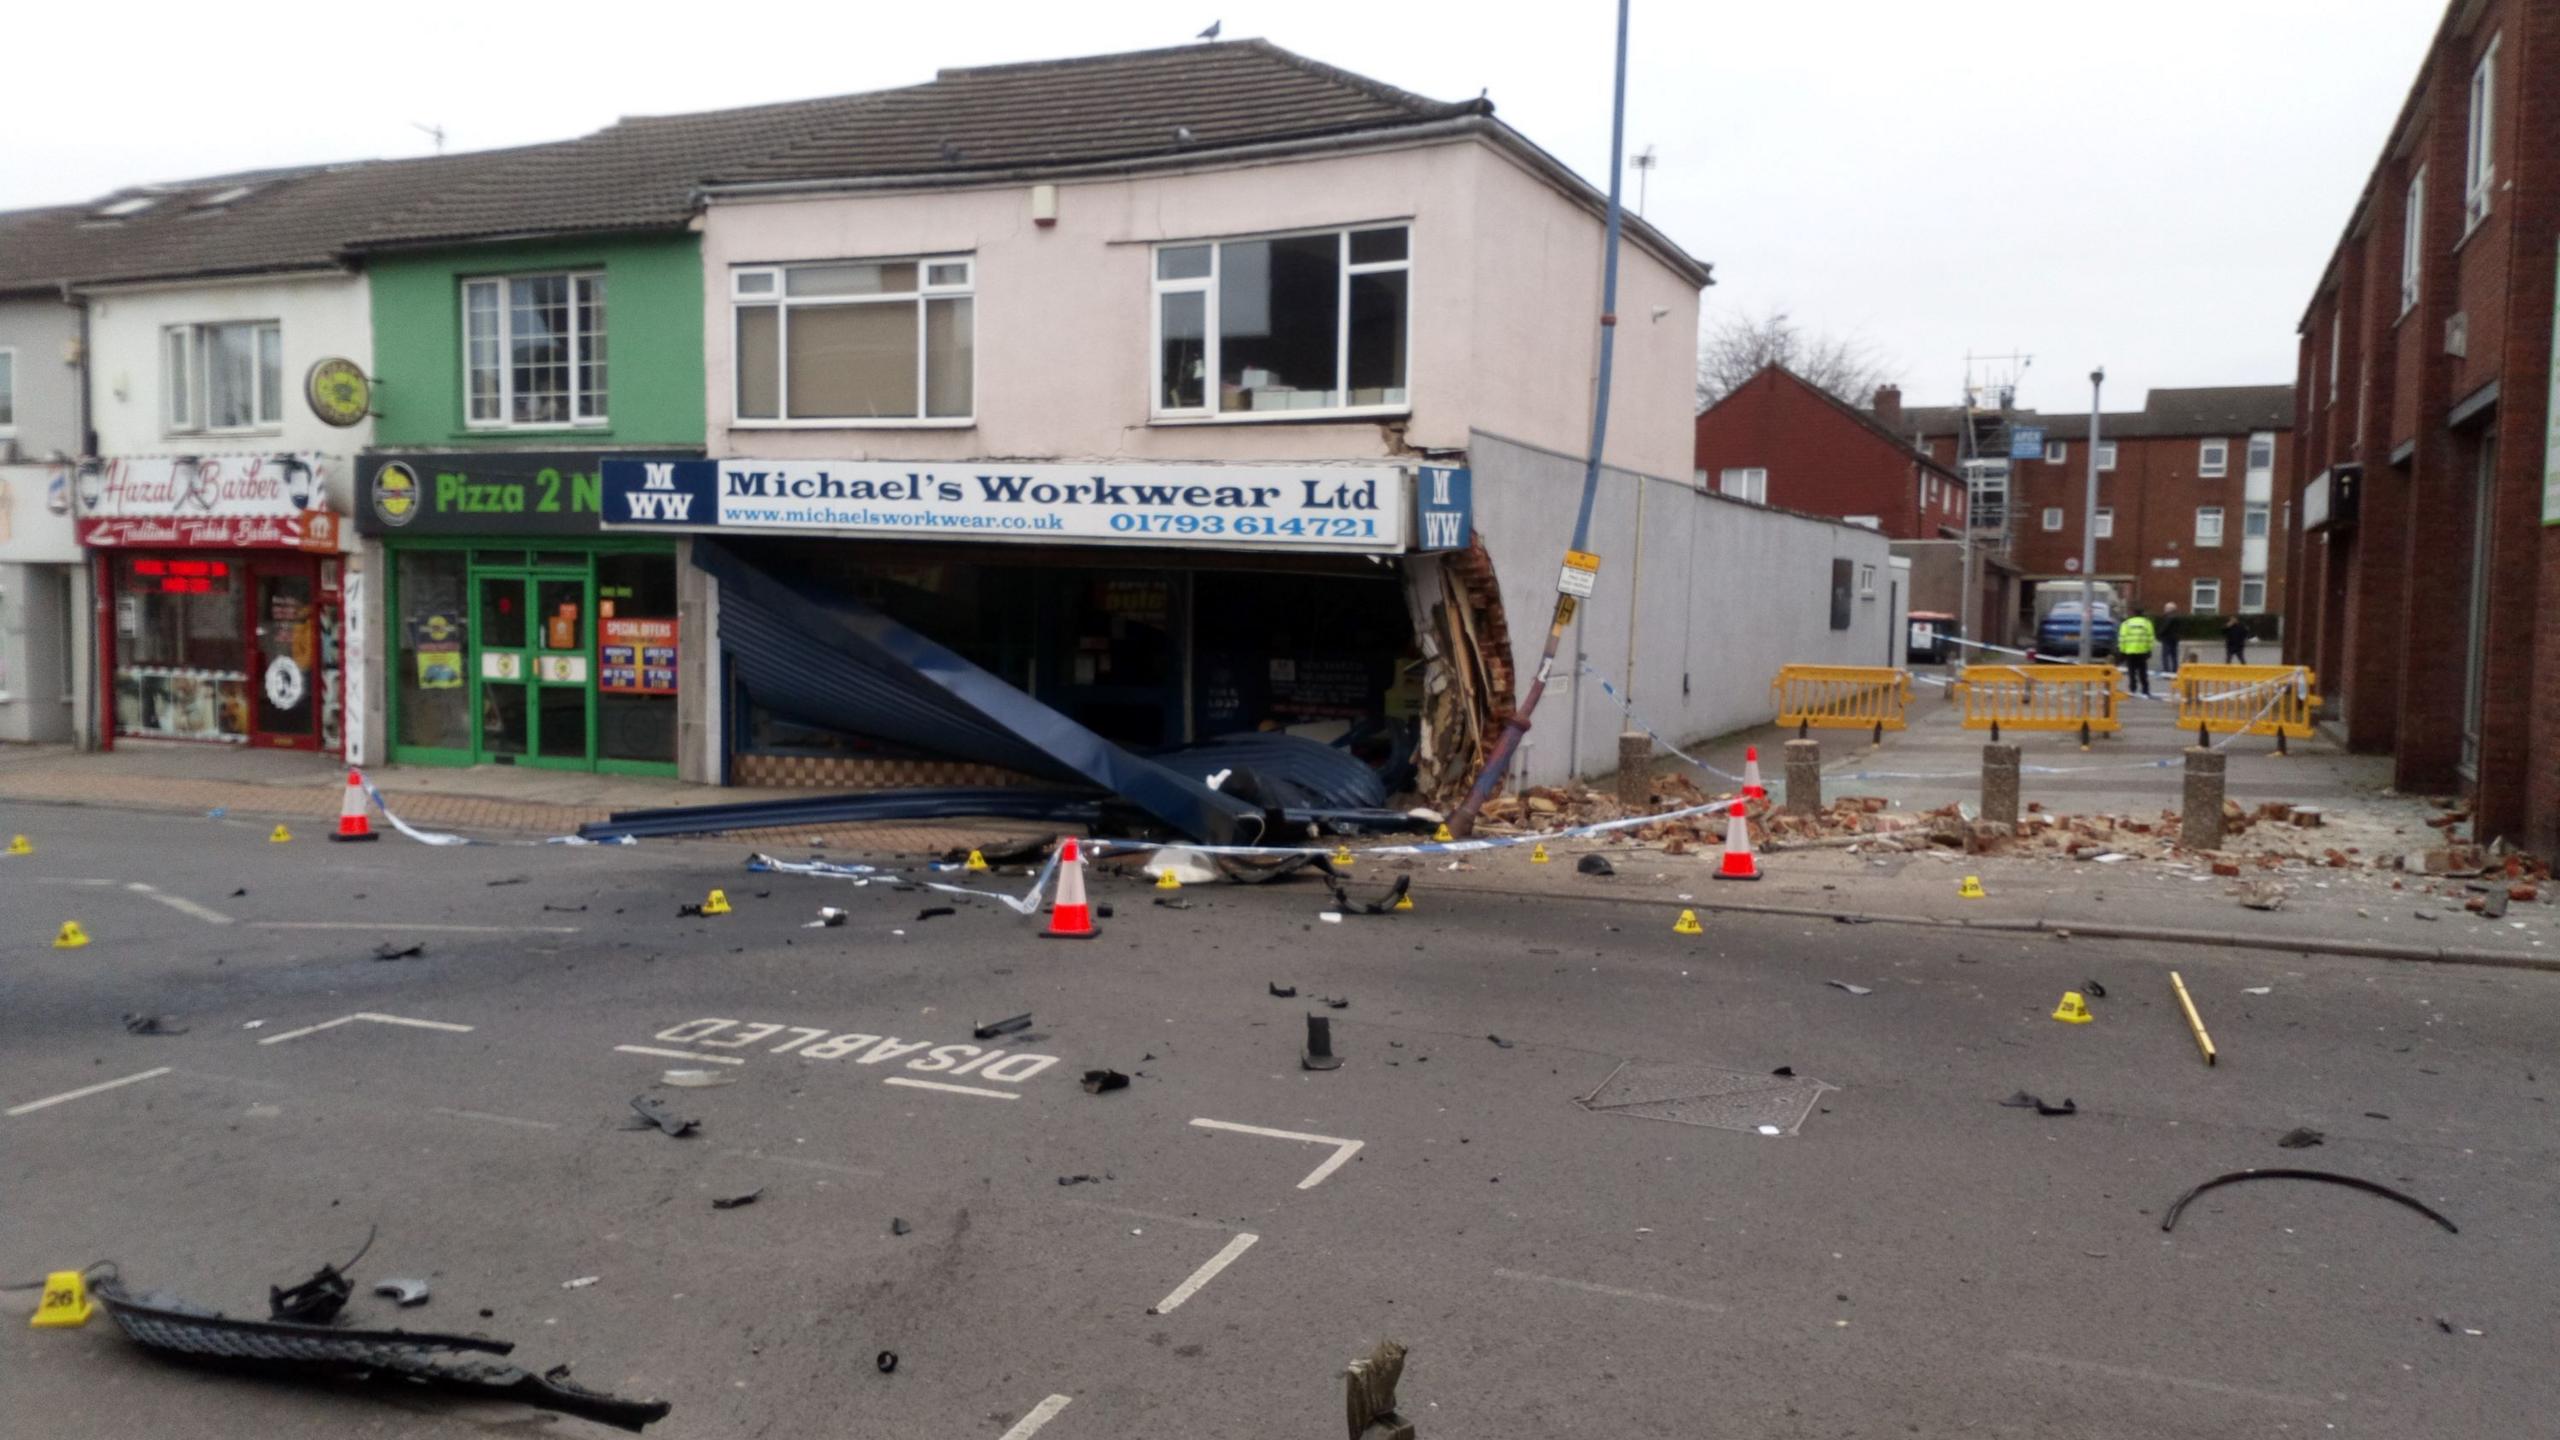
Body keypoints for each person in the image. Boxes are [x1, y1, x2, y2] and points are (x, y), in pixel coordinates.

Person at [2116, 603, 2157, 698]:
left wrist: (2122, 651)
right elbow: (2151, 638)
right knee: (2143, 672)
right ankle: (2145, 690)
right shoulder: (2147, 623)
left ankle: (2133, 689)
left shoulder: (2126, 623)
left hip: (2129, 651)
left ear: (2132, 613)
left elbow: (2122, 638)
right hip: (2142, 651)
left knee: (2131, 672)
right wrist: (2149, 650)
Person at [2158, 601, 2182, 677]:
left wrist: (2159, 634)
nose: (2164, 609)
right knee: (2174, 655)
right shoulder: (2177, 617)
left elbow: (2165, 627)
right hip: (2175, 638)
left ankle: (2166, 671)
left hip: (2167, 638)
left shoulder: (2169, 617)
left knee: (2165, 655)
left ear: (2170, 609)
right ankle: (2175, 670)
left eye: (2166, 608)